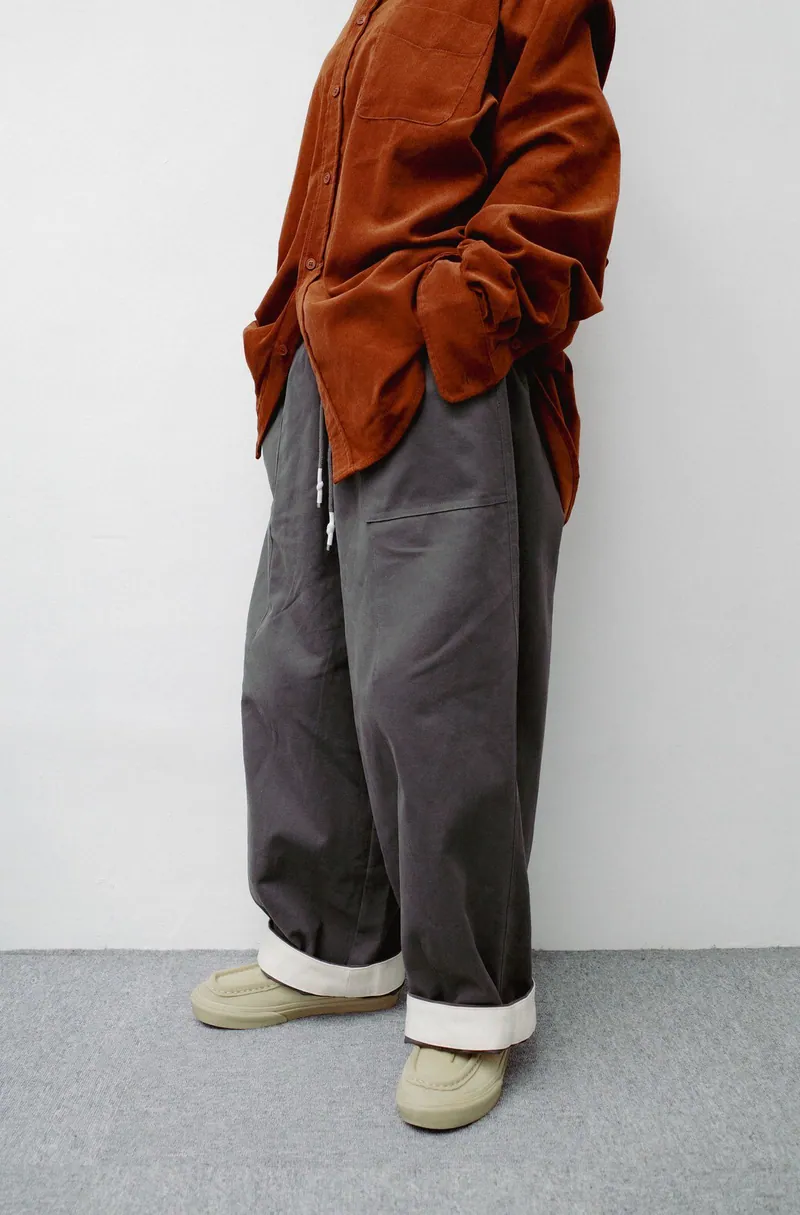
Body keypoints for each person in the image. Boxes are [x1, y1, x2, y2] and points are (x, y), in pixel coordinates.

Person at [191, 0, 620, 1131]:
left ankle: (465, 1005)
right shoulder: (372, 12)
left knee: (437, 693)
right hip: (325, 368)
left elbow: (562, 166)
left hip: (442, 379)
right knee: (297, 666)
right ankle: (330, 949)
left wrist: (457, 317)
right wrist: (287, 334)